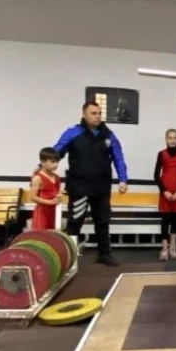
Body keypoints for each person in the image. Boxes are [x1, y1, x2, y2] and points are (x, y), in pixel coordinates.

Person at [51, 101, 128, 267]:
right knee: (74, 222)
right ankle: (69, 258)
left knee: (103, 222)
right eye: (94, 113)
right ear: (84, 114)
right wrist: (41, 167)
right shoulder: (73, 132)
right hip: (79, 187)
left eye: (99, 113)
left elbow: (118, 157)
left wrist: (123, 179)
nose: (98, 116)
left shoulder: (108, 135)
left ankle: (104, 254)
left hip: (101, 187)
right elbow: (56, 151)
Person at [154, 128, 176, 261]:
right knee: (165, 220)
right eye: (170, 137)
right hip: (165, 194)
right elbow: (156, 176)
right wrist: (164, 191)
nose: (172, 140)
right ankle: (164, 249)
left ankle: (173, 248)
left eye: (175, 138)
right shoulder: (161, 154)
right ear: (166, 139)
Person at [29, 147, 62, 230]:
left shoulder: (57, 177)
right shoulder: (38, 178)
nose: (56, 165)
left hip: (54, 212)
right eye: (52, 162)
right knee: (41, 235)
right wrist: (50, 202)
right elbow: (32, 197)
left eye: (57, 162)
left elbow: (56, 194)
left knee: (53, 235)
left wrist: (58, 198)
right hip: (42, 213)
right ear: (43, 162)